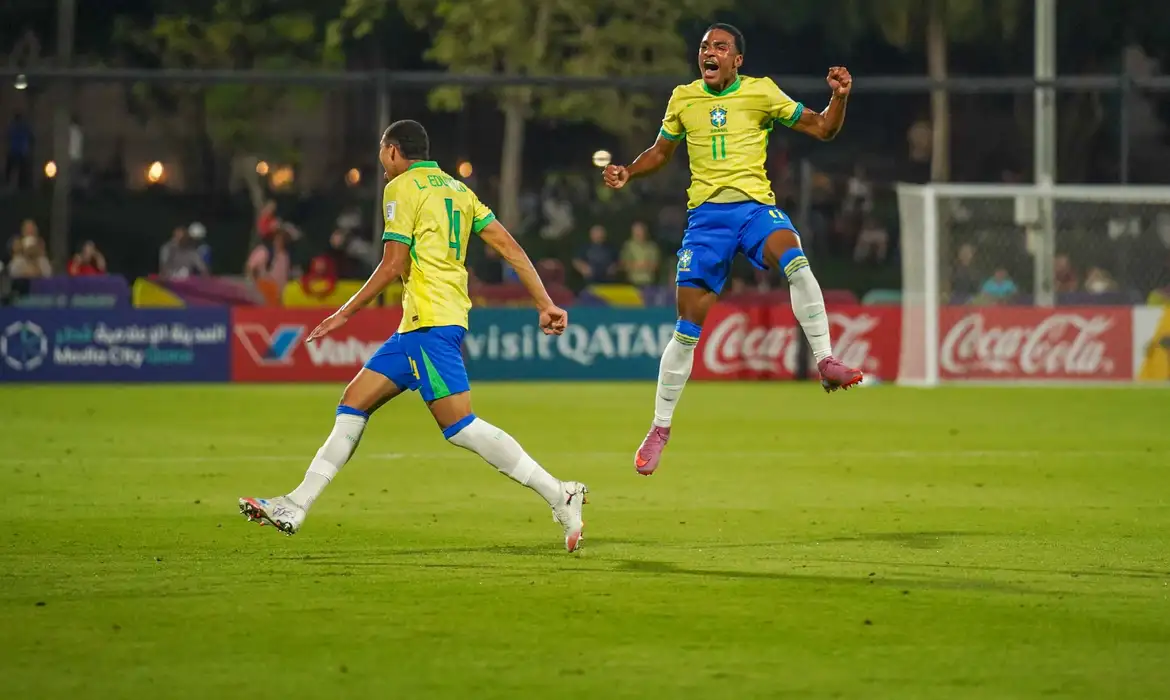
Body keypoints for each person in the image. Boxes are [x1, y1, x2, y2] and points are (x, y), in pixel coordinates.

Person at [239, 120, 588, 552]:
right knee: (352, 403)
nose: (382, 162)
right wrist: (544, 302)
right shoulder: (459, 190)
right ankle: (295, 504)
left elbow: (391, 264)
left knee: (460, 426)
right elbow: (511, 248)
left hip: (431, 323)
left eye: (382, 154)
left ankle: (560, 493)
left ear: (392, 151)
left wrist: (343, 313)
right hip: (418, 327)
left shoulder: (402, 187)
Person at [602, 23, 862, 475]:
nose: (710, 52)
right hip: (706, 221)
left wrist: (838, 98)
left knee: (796, 260)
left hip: (755, 210)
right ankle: (660, 427)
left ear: (737, 59)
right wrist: (629, 172)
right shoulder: (684, 97)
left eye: (720, 47)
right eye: (704, 46)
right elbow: (661, 151)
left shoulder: (761, 92)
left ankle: (825, 360)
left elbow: (822, 129)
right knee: (687, 328)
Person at [621, 221, 661, 286]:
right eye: (636, 231)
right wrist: (642, 265)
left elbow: (655, 265)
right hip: (632, 282)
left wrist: (639, 265)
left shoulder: (652, 247)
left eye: (640, 231)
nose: (638, 233)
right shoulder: (628, 246)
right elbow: (624, 264)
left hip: (649, 283)